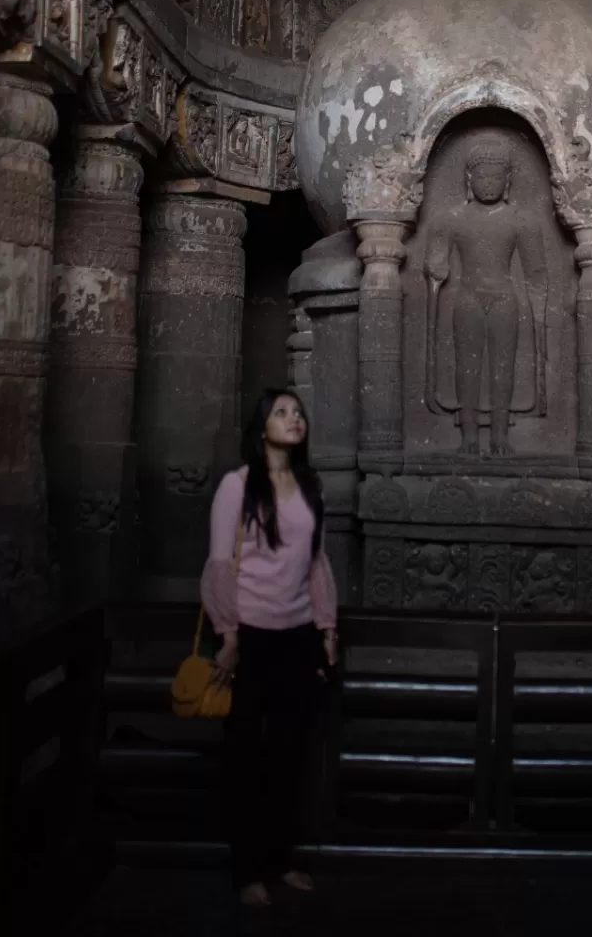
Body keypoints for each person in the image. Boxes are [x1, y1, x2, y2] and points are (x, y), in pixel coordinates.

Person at [200, 388, 338, 907]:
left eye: (298, 412)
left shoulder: (308, 486)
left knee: (287, 755)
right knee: (245, 757)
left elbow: (316, 562)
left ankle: (279, 859)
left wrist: (326, 628)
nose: (293, 419)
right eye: (282, 413)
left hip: (298, 635)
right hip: (251, 638)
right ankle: (247, 870)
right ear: (262, 428)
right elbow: (219, 564)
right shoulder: (237, 488)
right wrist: (229, 635)